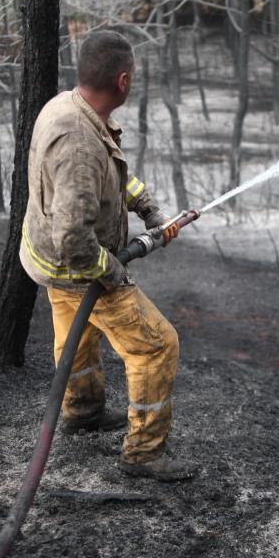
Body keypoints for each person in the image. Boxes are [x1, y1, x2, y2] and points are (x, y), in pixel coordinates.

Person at [19, 30, 197, 482]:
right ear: (122, 80)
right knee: (158, 345)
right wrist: (113, 272)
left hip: (47, 263)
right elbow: (75, 242)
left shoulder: (68, 107)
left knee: (75, 339)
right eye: (132, 76)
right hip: (76, 265)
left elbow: (112, 175)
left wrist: (152, 213)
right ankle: (144, 454)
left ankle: (81, 411)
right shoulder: (77, 142)